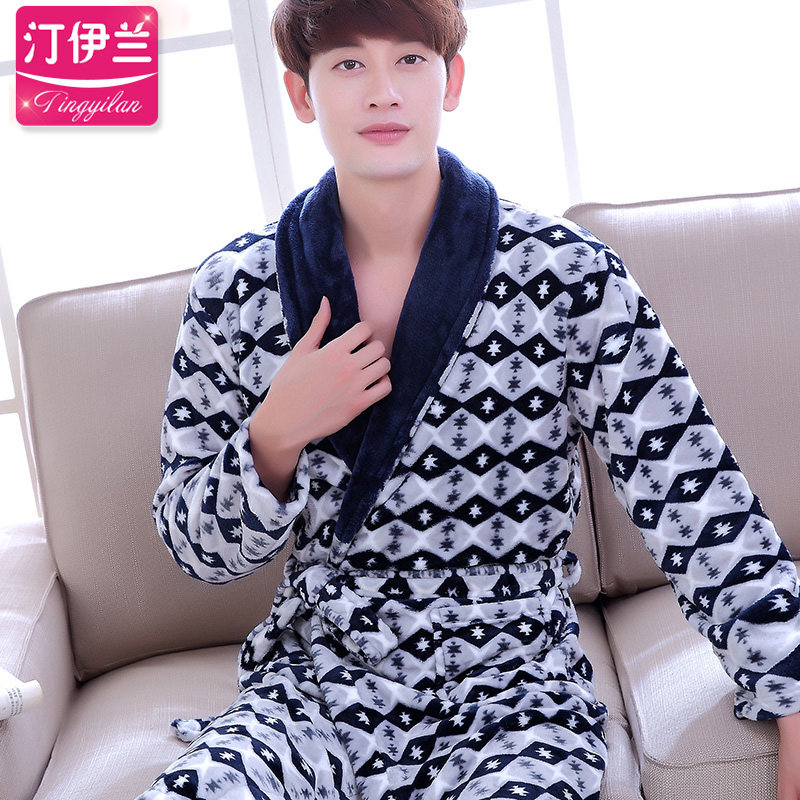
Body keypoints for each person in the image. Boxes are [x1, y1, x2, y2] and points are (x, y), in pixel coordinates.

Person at [137, 0, 800, 797]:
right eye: (348, 63)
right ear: (301, 93)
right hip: (316, 686)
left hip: (514, 688)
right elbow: (196, 551)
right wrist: (272, 436)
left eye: (410, 59)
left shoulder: (567, 275)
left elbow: (689, 487)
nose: (383, 90)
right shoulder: (234, 292)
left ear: (450, 81)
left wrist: (791, 686)